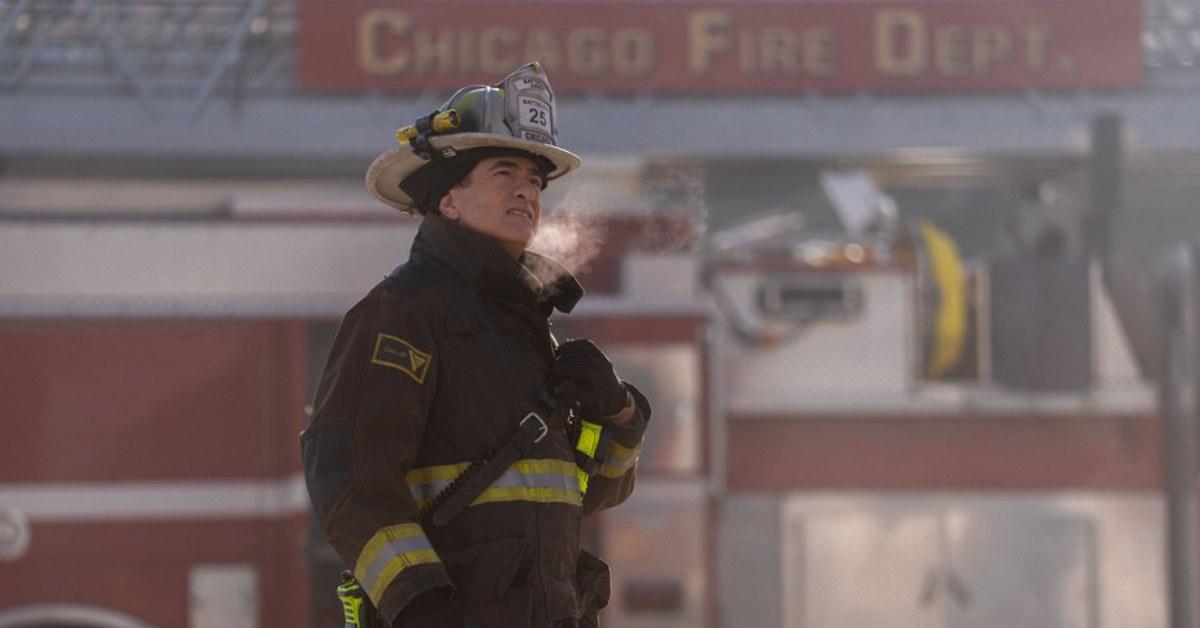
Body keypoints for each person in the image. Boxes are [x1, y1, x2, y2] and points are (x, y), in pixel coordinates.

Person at [301, 63, 651, 628]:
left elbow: (580, 495)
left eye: (535, 181)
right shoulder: (406, 313)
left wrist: (619, 417)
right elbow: (348, 478)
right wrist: (419, 601)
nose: (526, 189)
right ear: (449, 201)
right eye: (503, 171)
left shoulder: (527, 327)